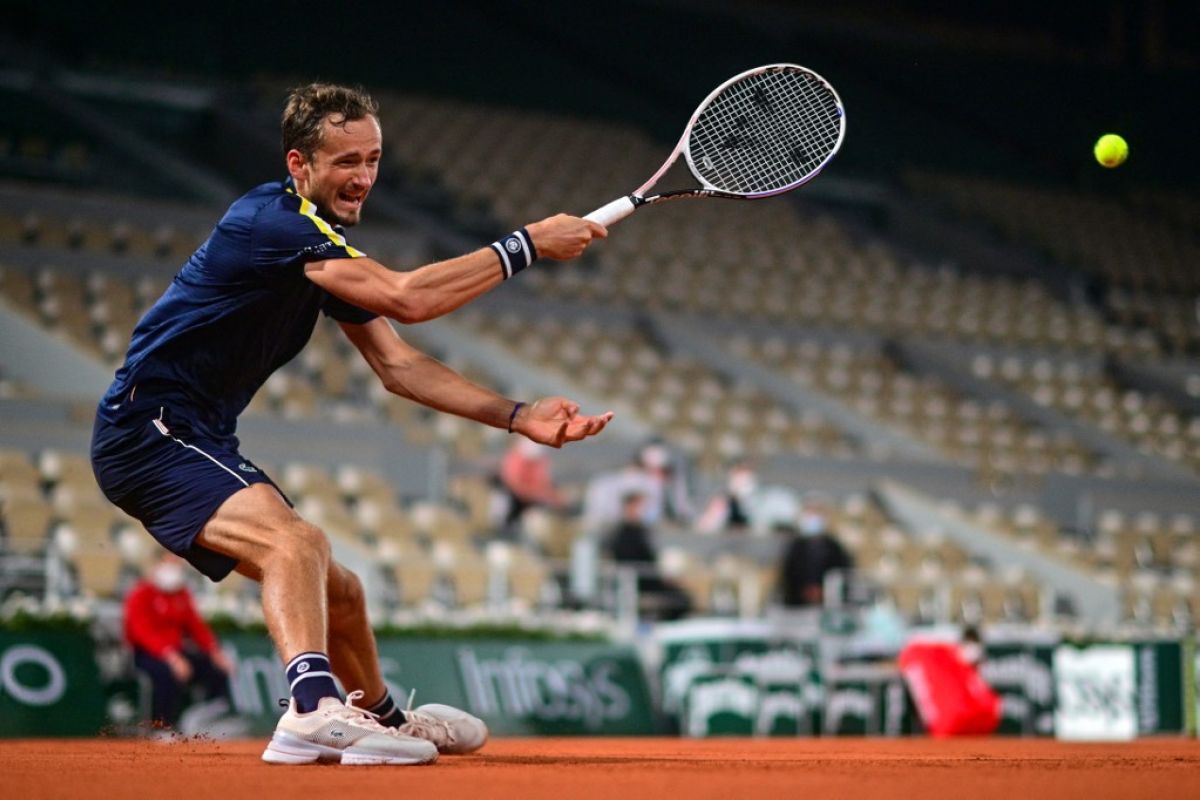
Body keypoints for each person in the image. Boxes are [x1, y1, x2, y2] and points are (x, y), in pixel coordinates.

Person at [90, 83, 613, 767]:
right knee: (297, 543)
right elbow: (408, 296)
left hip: (199, 434)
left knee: (340, 590)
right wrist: (527, 245)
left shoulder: (319, 250)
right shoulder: (272, 223)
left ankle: (382, 718)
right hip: (148, 430)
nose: (364, 177)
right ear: (299, 165)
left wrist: (517, 417)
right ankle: (310, 708)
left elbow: (400, 366)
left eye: (372, 159)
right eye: (345, 162)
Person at [124, 553, 233, 730]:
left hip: (177, 652)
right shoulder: (141, 594)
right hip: (148, 654)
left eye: (178, 565)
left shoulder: (181, 595)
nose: (176, 569)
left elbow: (196, 626)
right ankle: (162, 726)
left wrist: (214, 651)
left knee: (214, 669)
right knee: (166, 675)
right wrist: (171, 657)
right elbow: (142, 632)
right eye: (171, 564)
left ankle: (209, 717)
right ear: (157, 565)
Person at [605, 491, 692, 621]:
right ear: (630, 507)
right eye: (642, 506)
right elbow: (632, 564)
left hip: (649, 580)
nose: (645, 510)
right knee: (680, 601)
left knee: (683, 598)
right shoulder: (623, 535)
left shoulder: (640, 532)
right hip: (640, 584)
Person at [778, 498, 853, 607]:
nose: (812, 519)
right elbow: (788, 573)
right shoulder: (796, 546)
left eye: (816, 513)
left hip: (829, 603)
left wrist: (822, 590)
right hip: (797, 605)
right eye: (809, 513)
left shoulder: (834, 546)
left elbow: (843, 572)